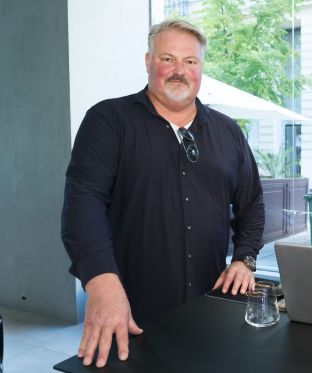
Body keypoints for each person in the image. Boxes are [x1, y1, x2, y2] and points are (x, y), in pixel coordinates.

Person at [61, 19, 265, 368]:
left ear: (201, 68)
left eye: (190, 62)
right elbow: (83, 204)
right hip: (129, 314)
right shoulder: (108, 121)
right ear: (148, 61)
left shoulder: (229, 133)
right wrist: (101, 284)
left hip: (208, 311)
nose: (179, 71)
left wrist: (244, 259)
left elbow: (252, 204)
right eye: (167, 58)